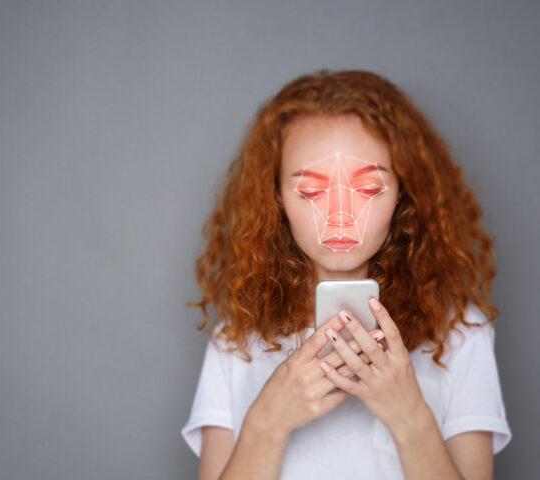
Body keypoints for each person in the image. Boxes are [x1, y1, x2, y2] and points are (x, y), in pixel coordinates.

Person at [181, 70, 511, 479]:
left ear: (404, 193)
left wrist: (409, 416)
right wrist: (267, 423)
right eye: (311, 192)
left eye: (369, 189)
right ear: (277, 197)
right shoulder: (236, 342)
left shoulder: (462, 335)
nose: (339, 217)